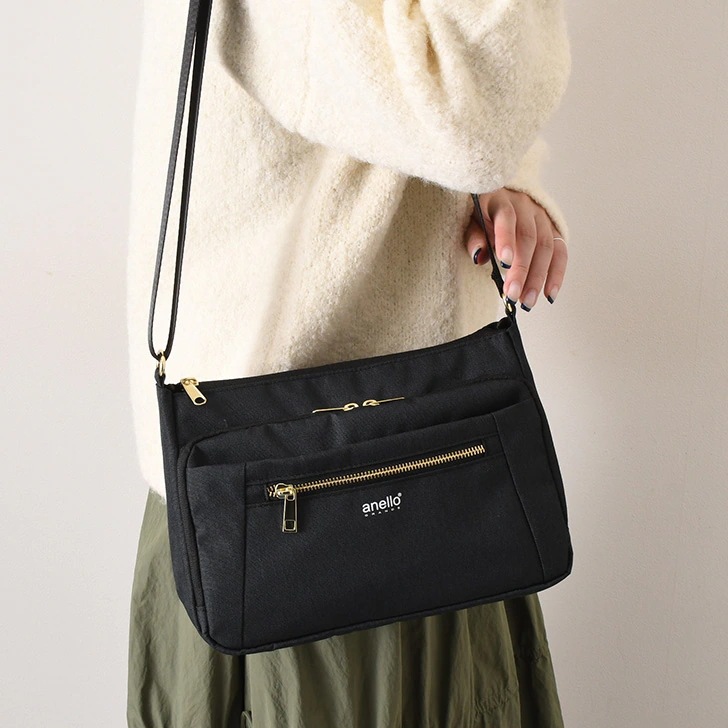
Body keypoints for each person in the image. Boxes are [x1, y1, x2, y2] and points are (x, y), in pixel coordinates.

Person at [125, 0, 572, 726]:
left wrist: (507, 181)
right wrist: (484, 151)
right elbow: (468, 111)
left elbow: (398, 88)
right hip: (300, 523)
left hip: (411, 472)